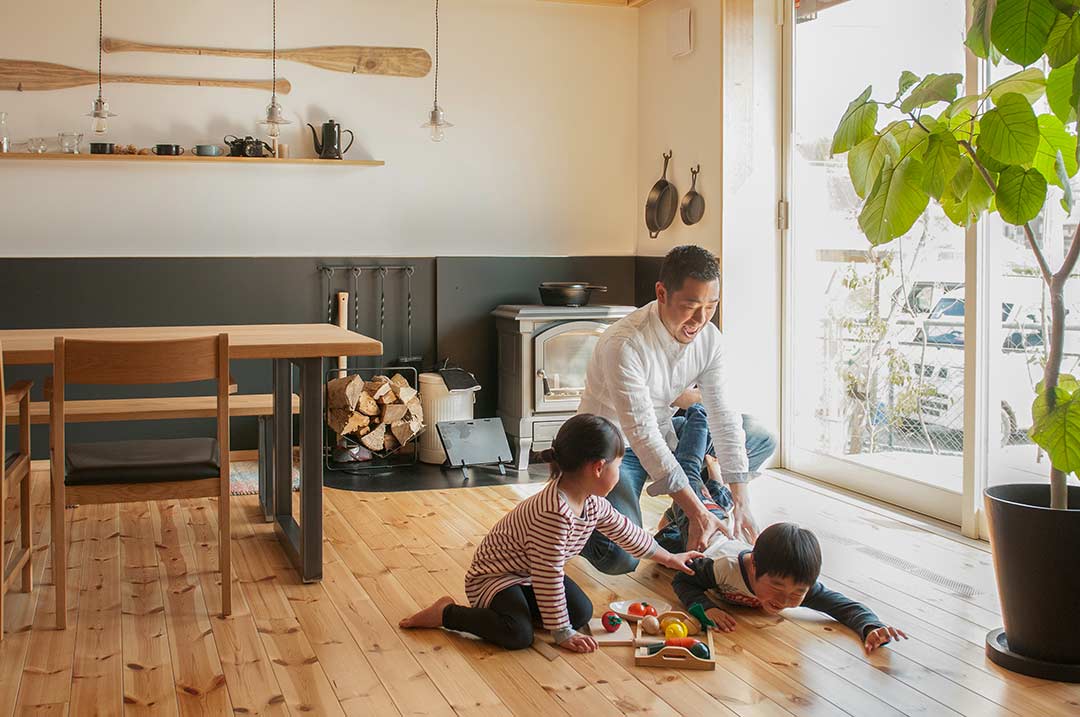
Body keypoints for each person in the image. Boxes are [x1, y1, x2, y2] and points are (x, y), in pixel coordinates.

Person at [399, 414, 703, 652]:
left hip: (528, 575)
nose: (620, 473)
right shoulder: (553, 513)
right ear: (598, 468)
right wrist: (561, 633)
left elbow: (626, 532)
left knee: (581, 612)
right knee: (518, 635)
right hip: (494, 578)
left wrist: (669, 557)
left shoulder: (591, 502)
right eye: (619, 466)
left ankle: (522, 611)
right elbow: (549, 574)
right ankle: (446, 613)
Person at [578, 244, 775, 575]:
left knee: (758, 437)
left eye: (711, 306)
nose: (700, 319)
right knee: (619, 557)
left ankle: (678, 519)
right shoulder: (624, 343)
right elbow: (642, 436)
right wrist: (699, 511)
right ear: (661, 293)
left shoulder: (710, 340)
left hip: (665, 429)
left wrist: (742, 502)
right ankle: (573, 513)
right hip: (615, 448)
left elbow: (723, 417)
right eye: (691, 306)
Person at [672, 522, 907, 654]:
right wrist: (706, 608)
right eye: (776, 587)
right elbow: (682, 580)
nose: (785, 600)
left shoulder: (796, 584)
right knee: (674, 536)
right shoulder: (723, 568)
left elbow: (844, 606)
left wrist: (871, 626)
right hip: (709, 541)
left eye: (798, 593)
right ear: (754, 567)